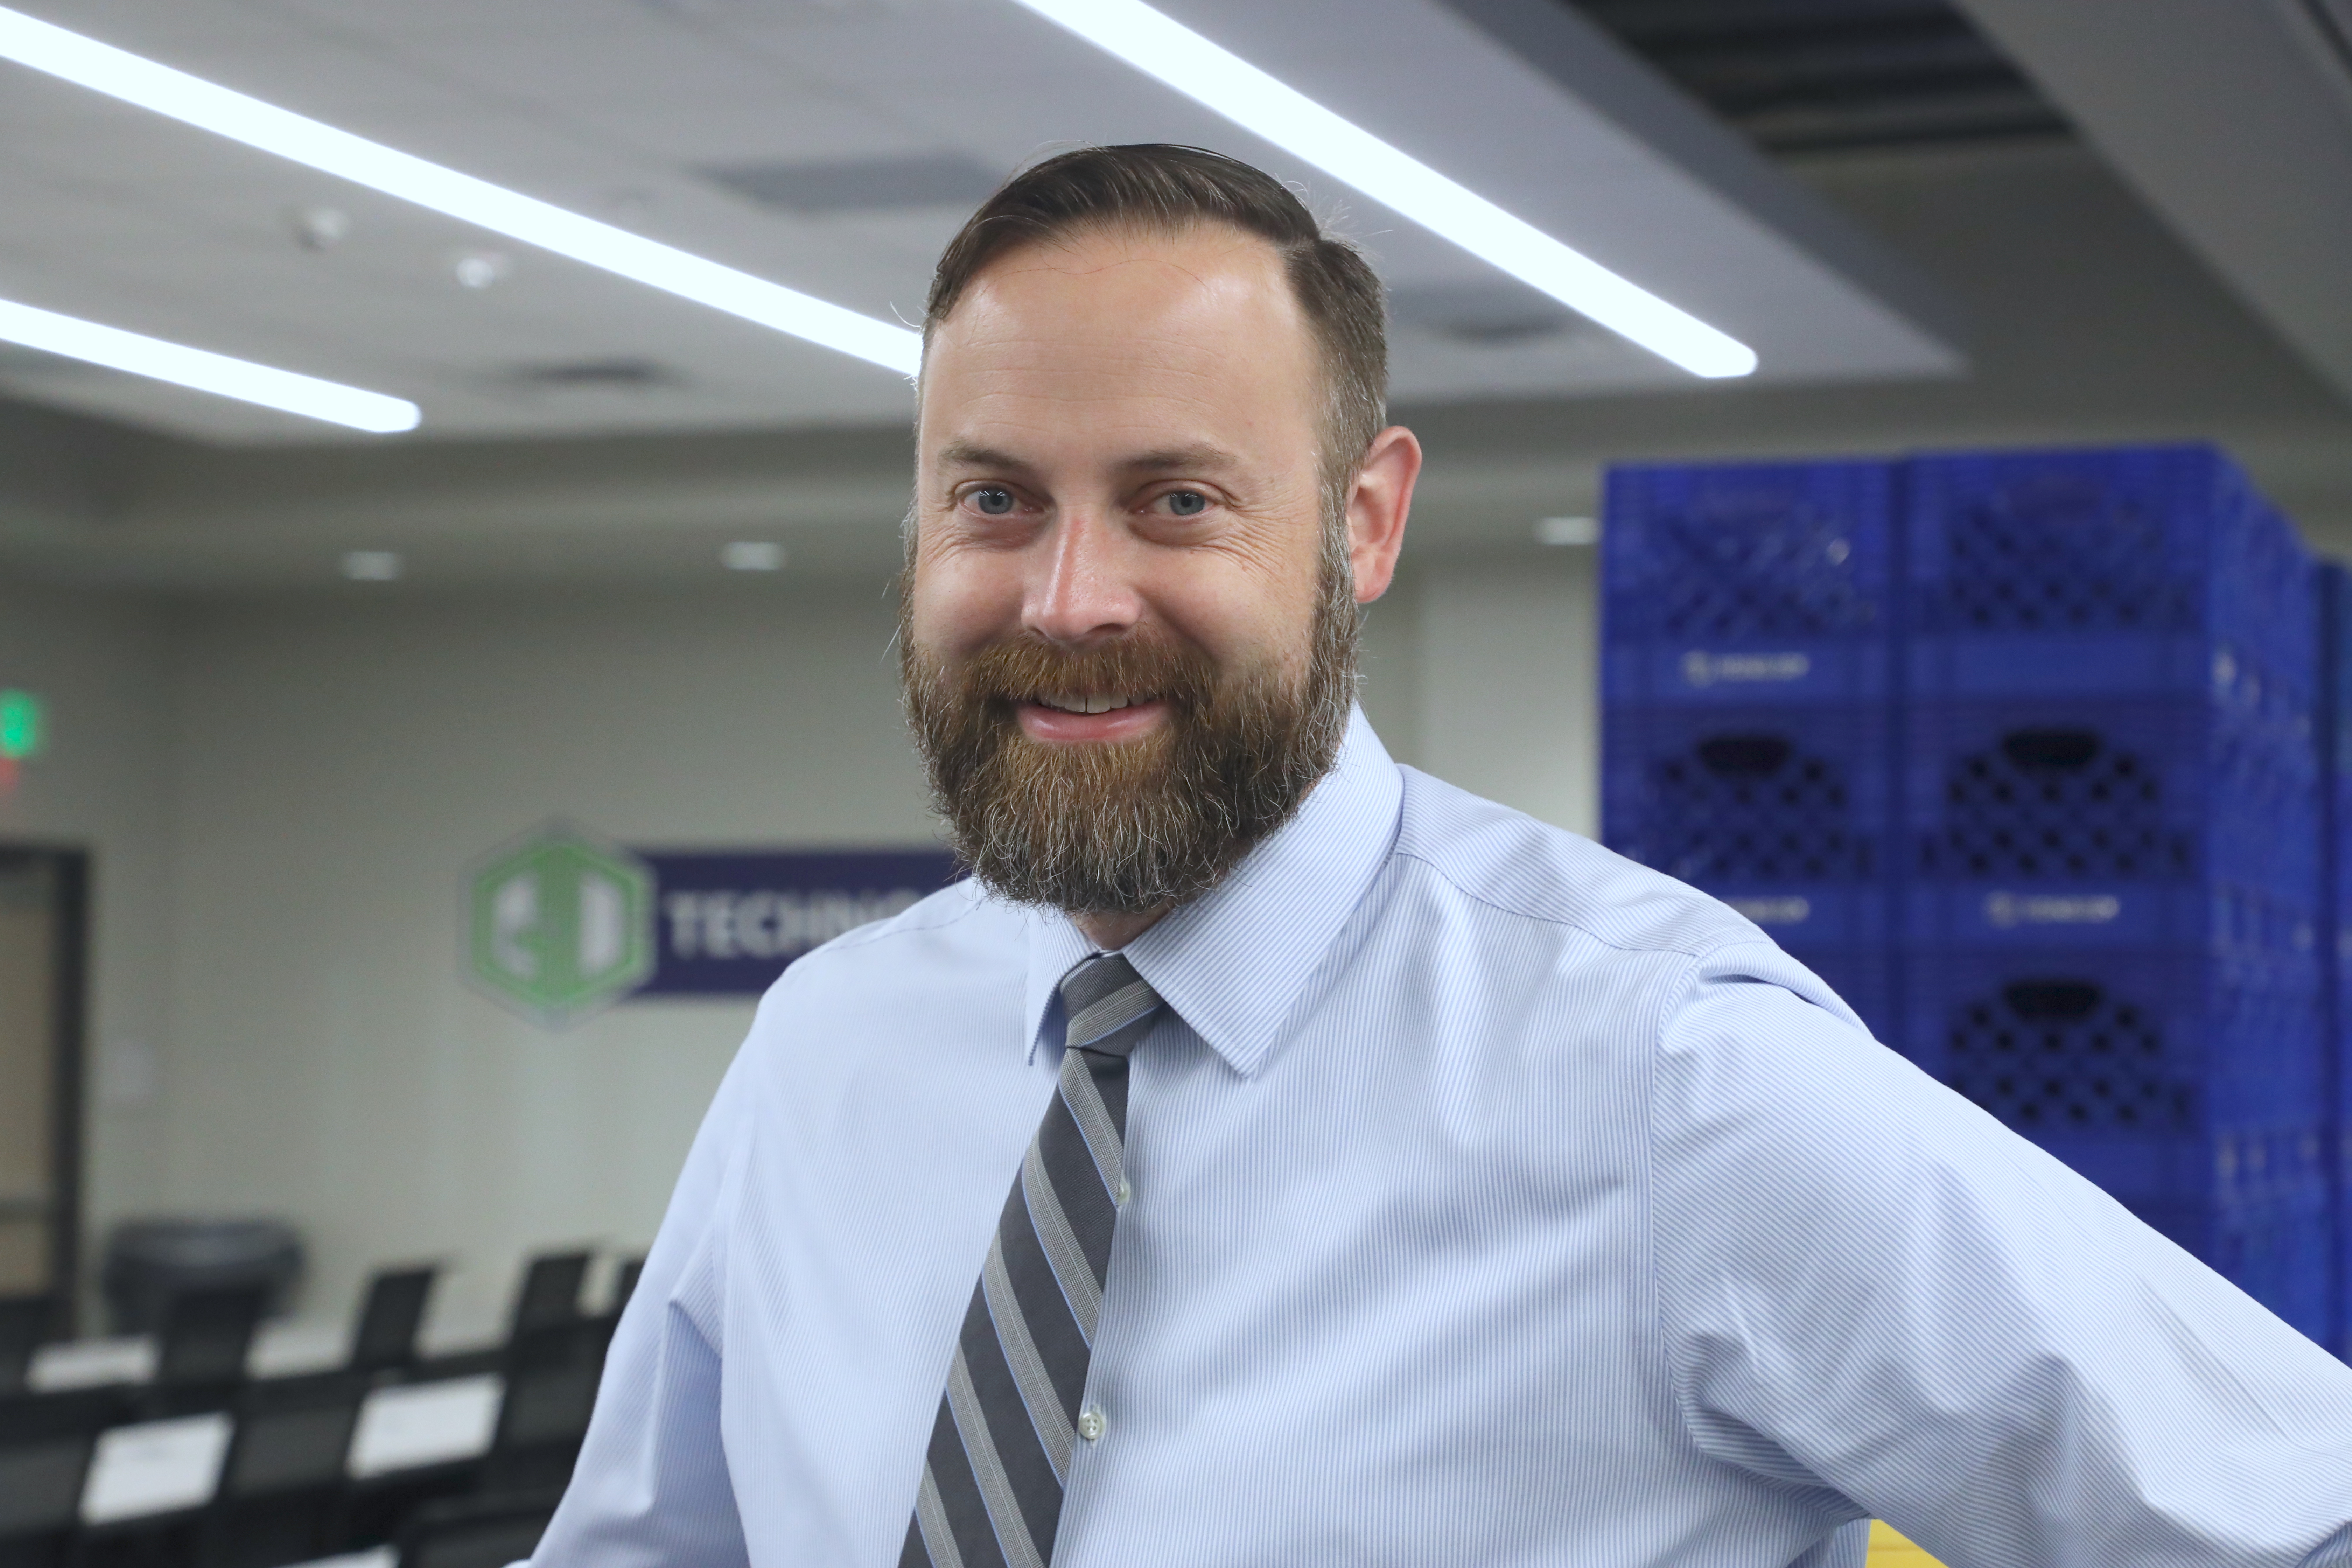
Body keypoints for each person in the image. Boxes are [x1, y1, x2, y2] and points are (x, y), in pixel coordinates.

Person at [533, 145, 2352, 1568]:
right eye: (994, 497)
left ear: (1365, 521)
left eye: (1177, 499)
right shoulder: (827, 1050)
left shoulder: (1667, 1082)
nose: (1069, 597)